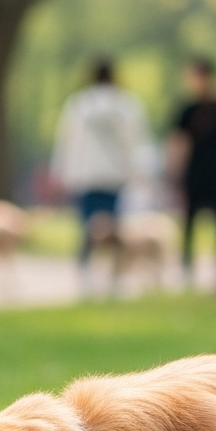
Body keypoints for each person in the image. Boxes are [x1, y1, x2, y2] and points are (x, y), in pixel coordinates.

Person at [50, 58, 151, 289]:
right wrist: (140, 173)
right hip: (115, 175)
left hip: (85, 174)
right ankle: (115, 275)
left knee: (87, 227)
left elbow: (67, 142)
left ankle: (85, 273)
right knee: (115, 230)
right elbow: (136, 142)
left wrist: (60, 172)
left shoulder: (79, 105)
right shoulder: (126, 105)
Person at [168, 57, 216, 285]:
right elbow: (179, 142)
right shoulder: (187, 110)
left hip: (215, 172)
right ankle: (187, 266)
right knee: (189, 221)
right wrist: (175, 171)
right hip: (194, 172)